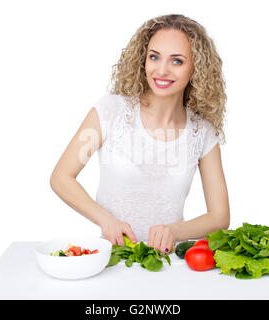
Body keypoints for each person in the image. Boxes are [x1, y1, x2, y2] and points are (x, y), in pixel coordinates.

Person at [50, 14, 230, 254]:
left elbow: (220, 217)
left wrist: (175, 231)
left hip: (167, 263)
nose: (162, 70)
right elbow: (62, 177)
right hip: (111, 257)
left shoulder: (202, 133)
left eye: (177, 61)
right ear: (143, 60)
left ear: (196, 68)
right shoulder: (111, 111)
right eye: (154, 57)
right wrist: (106, 221)